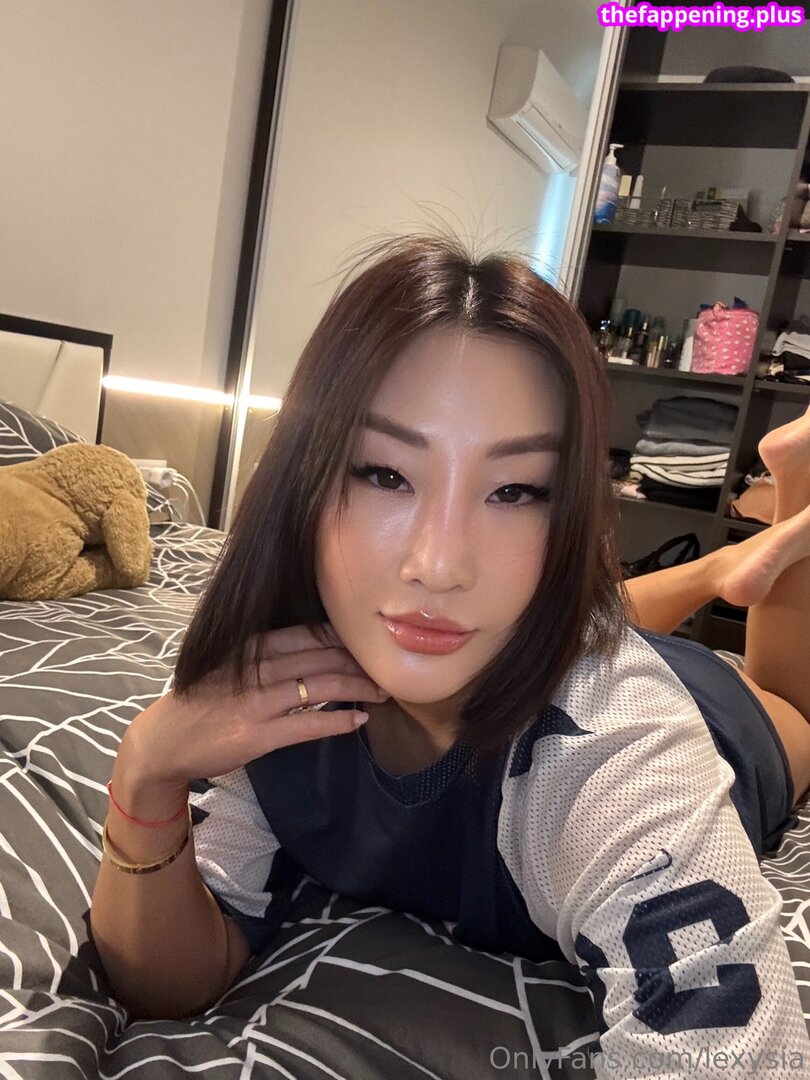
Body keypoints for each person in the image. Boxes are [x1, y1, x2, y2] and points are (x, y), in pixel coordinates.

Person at [90, 235, 810, 1073]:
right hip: (529, 638)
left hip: (708, 707)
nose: (437, 563)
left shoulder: (616, 755)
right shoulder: (286, 679)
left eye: (516, 490)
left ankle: (790, 500)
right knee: (530, 619)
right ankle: (717, 570)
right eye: (384, 474)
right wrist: (145, 773)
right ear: (304, 479)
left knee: (796, 710)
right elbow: (174, 980)